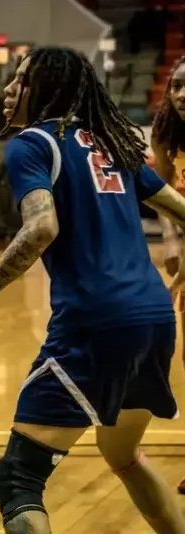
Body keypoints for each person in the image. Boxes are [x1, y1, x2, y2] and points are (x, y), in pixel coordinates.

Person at [0, 47, 185, 534]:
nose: (9, 89)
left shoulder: (32, 144)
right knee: (123, 455)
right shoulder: (112, 142)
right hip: (156, 318)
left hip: (96, 322)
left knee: (18, 478)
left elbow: (39, 230)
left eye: (21, 80)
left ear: (48, 89)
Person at [146, 56, 185, 498]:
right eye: (176, 84)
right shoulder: (164, 134)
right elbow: (159, 192)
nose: (182, 93)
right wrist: (171, 239)